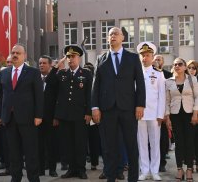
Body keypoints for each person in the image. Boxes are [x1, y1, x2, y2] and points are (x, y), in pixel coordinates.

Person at [91, 27, 146, 182]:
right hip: (107, 109)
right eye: (110, 35)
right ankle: (110, 177)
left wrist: (140, 105)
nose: (112, 36)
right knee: (109, 147)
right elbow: (96, 85)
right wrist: (95, 107)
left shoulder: (133, 58)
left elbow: (140, 83)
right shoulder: (101, 58)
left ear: (123, 38)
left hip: (128, 108)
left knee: (131, 146)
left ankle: (133, 178)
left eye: (116, 34)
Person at [0, 43, 43, 182]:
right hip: (9, 119)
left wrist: (38, 115)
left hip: (28, 119)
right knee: (13, 153)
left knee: (30, 152)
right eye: (13, 53)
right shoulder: (4, 73)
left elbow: (39, 96)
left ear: (24, 56)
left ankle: (33, 178)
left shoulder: (33, 72)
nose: (15, 55)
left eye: (18, 53)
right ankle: (15, 178)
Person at [48, 46, 92, 179]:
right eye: (68, 57)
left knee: (80, 143)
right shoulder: (62, 74)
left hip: (80, 115)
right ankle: (71, 169)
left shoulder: (86, 74)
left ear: (79, 58)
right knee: (67, 143)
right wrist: (56, 67)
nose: (70, 59)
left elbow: (89, 94)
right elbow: (49, 83)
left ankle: (81, 169)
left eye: (73, 56)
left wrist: (88, 112)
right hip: (64, 115)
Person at [136, 42, 166, 181]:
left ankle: (154, 171)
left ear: (152, 57)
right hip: (139, 114)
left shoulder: (158, 74)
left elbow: (162, 96)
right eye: (142, 55)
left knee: (155, 143)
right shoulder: (135, 74)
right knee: (142, 143)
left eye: (147, 55)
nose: (145, 58)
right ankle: (144, 170)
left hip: (154, 114)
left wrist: (160, 114)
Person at [165, 58, 198, 182]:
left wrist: (195, 113)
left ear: (185, 67)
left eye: (180, 64)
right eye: (175, 64)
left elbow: (197, 97)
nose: (177, 66)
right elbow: (166, 101)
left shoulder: (192, 79)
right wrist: (167, 117)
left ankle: (189, 169)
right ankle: (180, 169)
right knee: (178, 143)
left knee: (189, 142)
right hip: (175, 115)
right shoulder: (168, 82)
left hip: (190, 114)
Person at [38, 55, 59, 177]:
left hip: (51, 118)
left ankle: (52, 169)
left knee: (51, 144)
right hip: (37, 118)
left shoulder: (55, 79)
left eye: (44, 63)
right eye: (40, 63)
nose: (41, 65)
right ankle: (41, 169)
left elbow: (58, 99)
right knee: (39, 145)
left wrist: (56, 117)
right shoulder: (35, 78)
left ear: (50, 65)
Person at [152, 54, 172, 173]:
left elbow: (168, 95)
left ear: (162, 63)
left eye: (159, 60)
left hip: (162, 112)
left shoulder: (168, 75)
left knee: (162, 140)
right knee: (149, 140)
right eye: (155, 59)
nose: (156, 61)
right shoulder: (146, 72)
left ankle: (161, 163)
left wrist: (166, 113)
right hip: (150, 112)